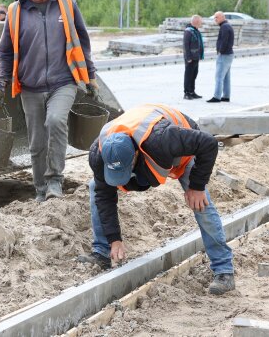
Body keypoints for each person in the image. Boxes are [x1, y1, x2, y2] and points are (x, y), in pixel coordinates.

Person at [76, 103, 235, 295]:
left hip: (180, 145)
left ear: (135, 155)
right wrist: (114, 239)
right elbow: (105, 197)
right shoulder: (98, 155)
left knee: (200, 203)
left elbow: (208, 143)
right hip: (144, 146)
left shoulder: (165, 138)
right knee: (96, 187)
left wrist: (197, 187)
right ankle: (102, 252)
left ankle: (224, 270)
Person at [0, 0, 99, 202]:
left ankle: (54, 182)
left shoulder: (66, 3)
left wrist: (90, 77)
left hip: (63, 81)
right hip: (30, 86)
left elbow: (82, 40)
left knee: (56, 120)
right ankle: (40, 189)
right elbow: (4, 51)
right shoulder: (15, 11)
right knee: (36, 143)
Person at [206, 11, 233, 103]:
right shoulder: (226, 26)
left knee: (219, 77)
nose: (215, 19)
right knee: (226, 77)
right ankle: (226, 96)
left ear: (222, 17)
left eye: (216, 17)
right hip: (228, 54)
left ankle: (217, 97)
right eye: (214, 17)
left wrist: (220, 51)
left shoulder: (224, 27)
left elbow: (224, 41)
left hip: (224, 55)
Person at [182, 15, 204, 100]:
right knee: (188, 75)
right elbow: (185, 46)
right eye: (200, 22)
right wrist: (188, 58)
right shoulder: (188, 31)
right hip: (190, 58)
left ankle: (192, 92)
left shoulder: (195, 30)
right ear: (196, 22)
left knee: (194, 75)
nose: (201, 23)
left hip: (196, 57)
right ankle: (186, 93)